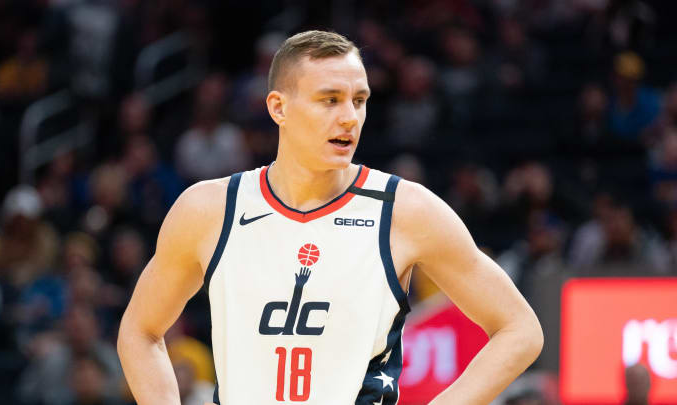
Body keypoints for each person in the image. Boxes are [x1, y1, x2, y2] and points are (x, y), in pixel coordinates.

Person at [117, 30, 543, 405]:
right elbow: (139, 331)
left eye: (359, 101)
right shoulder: (209, 209)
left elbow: (520, 329)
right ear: (278, 108)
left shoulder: (406, 211)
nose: (349, 117)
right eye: (330, 100)